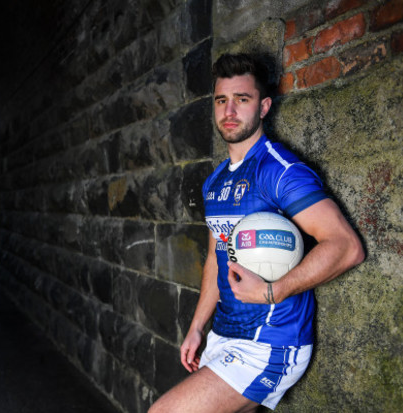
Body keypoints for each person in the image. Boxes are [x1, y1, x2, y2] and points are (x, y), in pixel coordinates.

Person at [148, 53, 364, 413]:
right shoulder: (216, 181)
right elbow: (217, 260)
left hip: (270, 343)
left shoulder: (280, 171)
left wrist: (271, 291)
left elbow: (346, 247)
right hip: (224, 335)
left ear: (263, 107)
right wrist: (198, 326)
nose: (229, 111)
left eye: (242, 100)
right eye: (221, 100)